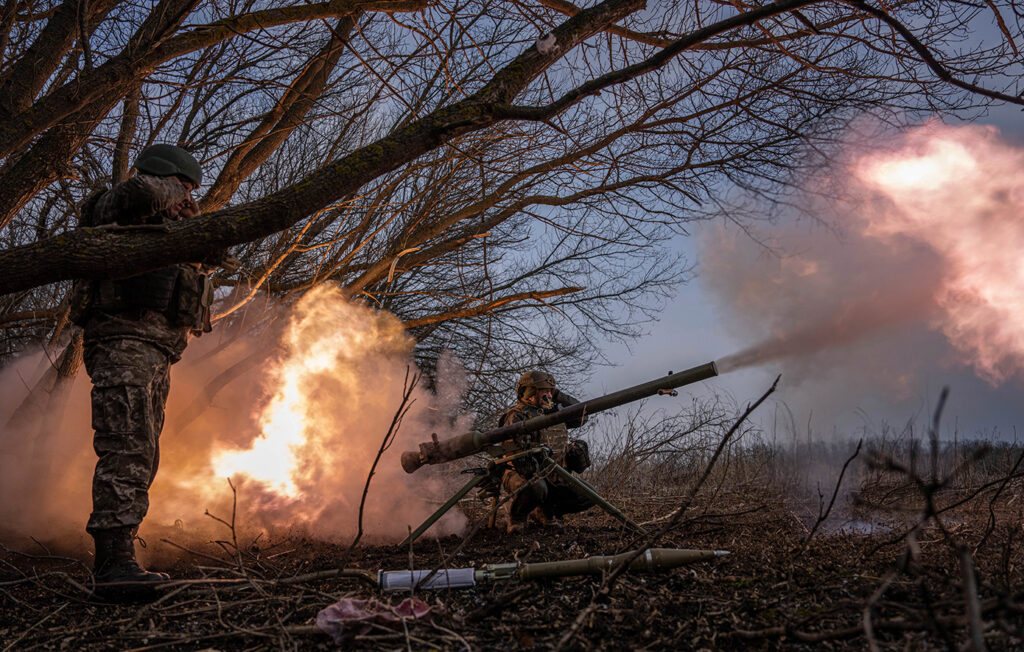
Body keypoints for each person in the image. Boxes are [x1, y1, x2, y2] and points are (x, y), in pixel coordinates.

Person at [71, 145, 228, 588]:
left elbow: (215, 255)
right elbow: (140, 191)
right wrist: (169, 189)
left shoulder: (170, 225)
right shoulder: (115, 203)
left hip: (157, 350)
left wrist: (189, 220)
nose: (188, 197)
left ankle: (121, 554)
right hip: (123, 340)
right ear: (166, 177)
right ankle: (111, 564)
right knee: (127, 446)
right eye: (184, 187)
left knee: (144, 450)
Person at [498, 370, 593, 533]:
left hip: (553, 473)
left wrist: (557, 395)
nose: (548, 395)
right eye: (544, 391)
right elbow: (517, 459)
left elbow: (582, 415)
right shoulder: (516, 416)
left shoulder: (554, 414)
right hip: (520, 474)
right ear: (530, 393)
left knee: (588, 494)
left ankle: (544, 513)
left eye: (551, 391)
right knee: (537, 487)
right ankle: (517, 518)